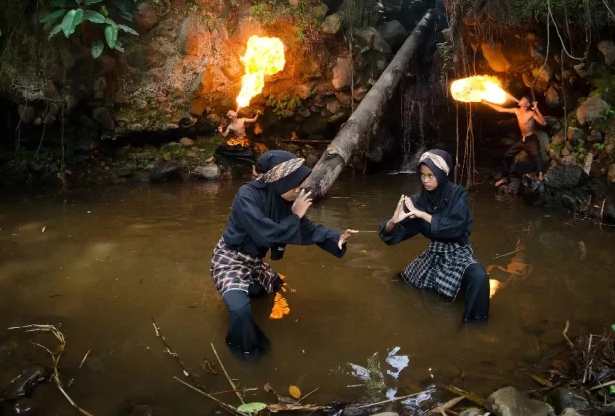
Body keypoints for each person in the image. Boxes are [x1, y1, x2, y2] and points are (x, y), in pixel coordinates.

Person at [210, 150, 358, 356]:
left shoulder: (284, 201)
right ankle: (246, 352)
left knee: (273, 288)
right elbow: (266, 236)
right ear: (280, 180)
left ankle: (250, 291)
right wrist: (295, 216)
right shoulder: (247, 196)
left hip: (254, 262)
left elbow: (308, 229)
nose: (300, 190)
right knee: (240, 311)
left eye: (302, 184)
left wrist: (336, 238)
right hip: (230, 259)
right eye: (297, 185)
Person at [378, 149, 490, 322]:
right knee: (399, 280)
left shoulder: (457, 194)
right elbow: (394, 234)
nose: (425, 180)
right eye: (422, 175)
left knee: (479, 277)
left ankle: (474, 328)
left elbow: (456, 227)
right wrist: (393, 221)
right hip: (434, 253)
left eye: (431, 175)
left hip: (458, 252)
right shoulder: (418, 201)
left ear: (442, 174)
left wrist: (423, 215)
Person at [486, 97, 547, 184]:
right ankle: (505, 177)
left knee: (537, 156)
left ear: (528, 104)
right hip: (522, 140)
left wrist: (536, 109)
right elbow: (500, 109)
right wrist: (487, 102)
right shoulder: (516, 110)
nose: (521, 99)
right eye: (521, 98)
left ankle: (540, 174)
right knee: (507, 155)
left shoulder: (531, 113)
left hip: (531, 140)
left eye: (523, 99)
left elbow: (544, 123)